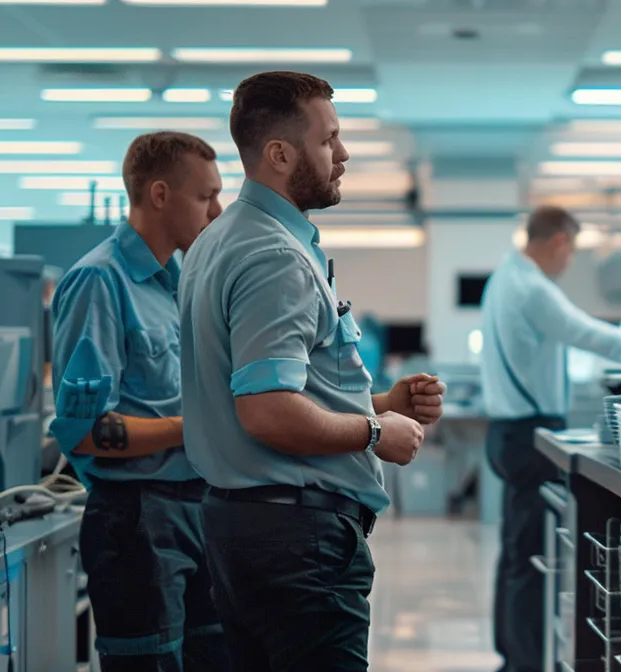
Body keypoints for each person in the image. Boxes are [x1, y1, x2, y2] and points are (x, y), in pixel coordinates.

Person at [177, 70, 446, 671]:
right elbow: (268, 412)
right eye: (328, 140)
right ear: (279, 154)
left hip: (244, 526)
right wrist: (375, 433)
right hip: (298, 543)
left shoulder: (218, 241)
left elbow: (272, 391)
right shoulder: (275, 256)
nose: (342, 155)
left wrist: (382, 403)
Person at [50, 131, 229, 671]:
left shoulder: (179, 283)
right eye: (206, 197)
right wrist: (196, 425)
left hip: (198, 507)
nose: (217, 212)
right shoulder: (99, 281)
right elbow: (86, 432)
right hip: (137, 519)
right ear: (159, 195)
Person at [480, 205, 621, 672]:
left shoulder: (504, 277)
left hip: (506, 432)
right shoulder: (532, 288)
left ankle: (512, 657)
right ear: (559, 242)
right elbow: (582, 331)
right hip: (530, 434)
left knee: (515, 553)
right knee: (528, 557)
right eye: (571, 252)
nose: (568, 262)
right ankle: (524, 665)